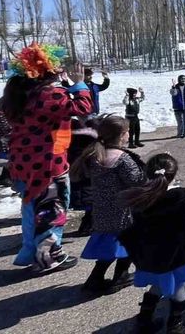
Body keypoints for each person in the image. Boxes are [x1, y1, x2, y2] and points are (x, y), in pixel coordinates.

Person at [0, 43, 93, 273]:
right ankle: (48, 258)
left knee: (30, 209)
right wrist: (79, 83)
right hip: (48, 164)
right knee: (52, 209)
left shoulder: (17, 95)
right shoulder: (49, 95)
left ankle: (29, 251)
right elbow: (83, 107)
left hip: (22, 162)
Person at [119, 154, 185, 334]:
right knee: (179, 287)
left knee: (158, 284)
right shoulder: (183, 196)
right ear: (173, 175)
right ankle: (175, 326)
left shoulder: (141, 198)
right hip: (177, 256)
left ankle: (143, 321)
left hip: (153, 257)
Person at [76, 116, 145, 295]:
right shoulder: (122, 158)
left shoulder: (95, 154)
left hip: (102, 209)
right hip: (122, 211)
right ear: (122, 135)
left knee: (111, 245)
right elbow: (137, 181)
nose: (129, 134)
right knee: (131, 242)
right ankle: (120, 276)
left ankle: (95, 278)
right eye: (127, 131)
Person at [69, 116, 100, 236]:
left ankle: (88, 224)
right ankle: (87, 226)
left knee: (88, 202)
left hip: (79, 178)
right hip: (87, 182)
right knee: (90, 202)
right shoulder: (90, 153)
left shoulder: (73, 147)